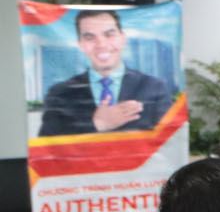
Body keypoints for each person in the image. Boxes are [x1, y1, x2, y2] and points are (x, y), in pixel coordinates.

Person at [37, 8, 176, 136]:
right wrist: (96, 124)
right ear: (80, 44)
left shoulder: (154, 87)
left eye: (109, 35)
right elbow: (46, 147)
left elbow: (170, 141)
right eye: (90, 37)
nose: (101, 45)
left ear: (122, 38)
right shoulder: (59, 94)